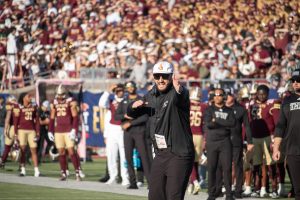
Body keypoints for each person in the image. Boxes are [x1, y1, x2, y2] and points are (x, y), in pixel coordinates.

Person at [127, 61, 194, 200]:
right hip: (160, 153)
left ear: (171, 76)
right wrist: (132, 106)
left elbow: (180, 98)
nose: (161, 79)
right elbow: (132, 114)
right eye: (157, 76)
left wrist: (178, 90)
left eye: (164, 76)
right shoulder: (151, 95)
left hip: (179, 152)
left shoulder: (179, 92)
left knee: (173, 195)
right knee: (155, 195)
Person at [215, 88, 254, 198]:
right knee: (220, 165)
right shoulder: (218, 108)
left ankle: (237, 190)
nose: (226, 97)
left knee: (238, 165)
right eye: (224, 95)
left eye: (229, 95)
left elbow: (247, 126)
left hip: (236, 141)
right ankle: (220, 188)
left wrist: (250, 141)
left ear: (234, 96)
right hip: (221, 141)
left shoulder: (241, 109)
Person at [115, 81, 150, 189]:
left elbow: (145, 117)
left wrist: (130, 123)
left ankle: (150, 182)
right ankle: (133, 182)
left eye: (131, 87)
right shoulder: (124, 101)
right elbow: (116, 116)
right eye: (128, 87)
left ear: (135, 87)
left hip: (139, 131)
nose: (130, 89)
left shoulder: (141, 99)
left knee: (144, 157)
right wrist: (124, 116)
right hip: (128, 133)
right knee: (128, 157)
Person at [248, 84, 280, 198]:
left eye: (264, 94)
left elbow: (277, 123)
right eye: (259, 94)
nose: (261, 96)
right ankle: (257, 188)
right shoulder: (252, 104)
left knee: (271, 166)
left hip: (268, 137)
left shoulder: (272, 103)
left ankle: (274, 189)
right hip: (256, 138)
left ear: (268, 94)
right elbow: (249, 123)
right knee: (256, 165)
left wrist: (274, 138)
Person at [273, 68, 300, 200]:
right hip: (293, 149)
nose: (295, 83)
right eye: (293, 80)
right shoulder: (287, 101)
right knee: (298, 189)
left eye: (298, 80)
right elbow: (280, 126)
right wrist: (276, 148)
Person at [204, 87, 236, 200]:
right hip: (212, 142)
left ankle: (228, 194)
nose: (217, 97)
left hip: (225, 142)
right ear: (213, 97)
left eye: (220, 94)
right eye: (216, 95)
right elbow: (209, 124)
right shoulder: (209, 109)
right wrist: (223, 123)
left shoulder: (229, 110)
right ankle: (211, 194)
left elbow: (232, 123)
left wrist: (216, 120)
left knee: (227, 168)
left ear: (224, 96)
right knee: (211, 168)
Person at [48, 84, 81, 181]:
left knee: (71, 151)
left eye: (61, 94)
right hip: (58, 131)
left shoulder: (71, 101)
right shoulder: (54, 103)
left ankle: (77, 172)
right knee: (61, 152)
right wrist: (50, 130)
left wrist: (74, 129)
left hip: (68, 130)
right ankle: (63, 173)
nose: (60, 96)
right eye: (58, 94)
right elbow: (52, 117)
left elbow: (75, 117)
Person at [99, 83, 129, 186]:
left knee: (124, 155)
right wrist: (108, 91)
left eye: (121, 90)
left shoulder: (127, 100)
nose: (120, 92)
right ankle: (113, 176)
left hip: (123, 129)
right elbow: (101, 103)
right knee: (111, 154)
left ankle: (125, 177)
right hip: (112, 129)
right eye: (117, 90)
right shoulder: (111, 101)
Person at [14, 92, 40, 177]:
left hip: (31, 130)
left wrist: (38, 132)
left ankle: (36, 170)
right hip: (22, 130)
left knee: (34, 150)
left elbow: (37, 120)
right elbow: (15, 121)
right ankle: (23, 169)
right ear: (23, 98)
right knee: (22, 150)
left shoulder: (34, 105)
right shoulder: (18, 106)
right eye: (28, 96)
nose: (30, 97)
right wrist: (15, 133)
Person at [187, 86, 207, 195]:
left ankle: (194, 181)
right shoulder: (203, 106)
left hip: (189, 135)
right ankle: (192, 183)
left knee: (189, 161)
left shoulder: (187, 105)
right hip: (199, 136)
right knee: (195, 161)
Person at [0, 95, 18, 168]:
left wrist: (5, 129)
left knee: (7, 146)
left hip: (12, 127)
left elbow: (7, 118)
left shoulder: (9, 106)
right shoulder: (18, 106)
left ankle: (3, 161)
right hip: (19, 127)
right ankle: (21, 165)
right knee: (18, 146)